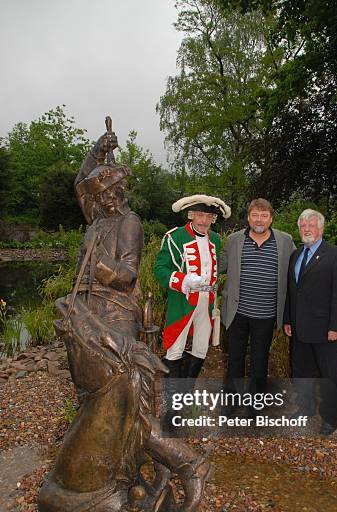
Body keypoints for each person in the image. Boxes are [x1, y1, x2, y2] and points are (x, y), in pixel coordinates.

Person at [283, 208, 337, 433]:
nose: (306, 229)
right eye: (303, 225)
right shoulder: (296, 255)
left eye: (311, 225)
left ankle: (332, 417)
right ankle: (306, 408)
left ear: (321, 229)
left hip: (325, 329)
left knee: (329, 374)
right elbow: (292, 291)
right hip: (299, 328)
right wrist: (288, 319)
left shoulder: (336, 254)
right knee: (302, 371)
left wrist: (336, 326)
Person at [72, 130, 143, 338]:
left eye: (112, 189)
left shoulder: (129, 222)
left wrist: (95, 259)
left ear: (122, 188)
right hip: (86, 301)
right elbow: (81, 188)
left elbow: (128, 277)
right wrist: (98, 150)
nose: (107, 197)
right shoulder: (97, 217)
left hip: (116, 307)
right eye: (101, 194)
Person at [220, 198, 295, 394]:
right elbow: (218, 266)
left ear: (271, 219)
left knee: (260, 361)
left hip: (266, 314)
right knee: (235, 359)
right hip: (237, 313)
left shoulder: (285, 241)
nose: (259, 220)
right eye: (255, 215)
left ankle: (256, 402)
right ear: (248, 218)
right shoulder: (235, 240)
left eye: (264, 216)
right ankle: (232, 400)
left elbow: (297, 271)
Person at [154, 194, 231, 378]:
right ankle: (173, 403)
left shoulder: (215, 239)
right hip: (183, 299)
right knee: (175, 348)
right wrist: (183, 280)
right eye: (200, 215)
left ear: (213, 219)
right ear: (191, 215)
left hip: (207, 302)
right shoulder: (175, 237)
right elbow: (160, 269)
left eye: (209, 217)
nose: (204, 221)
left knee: (201, 348)